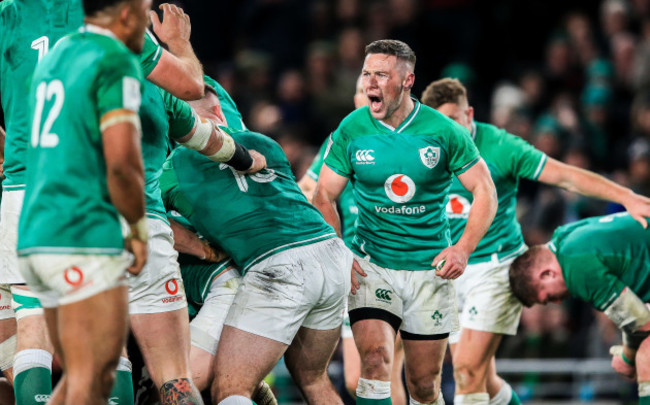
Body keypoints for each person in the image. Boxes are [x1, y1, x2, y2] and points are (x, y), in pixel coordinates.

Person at [0, 1, 206, 402]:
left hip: (26, 200)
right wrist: (178, 43)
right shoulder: (111, 42)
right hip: (92, 203)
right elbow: (187, 89)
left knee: (37, 339)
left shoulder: (11, 17)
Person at [421, 78, 650, 405]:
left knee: (467, 373)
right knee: (481, 378)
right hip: (450, 269)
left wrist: (625, 195)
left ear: (469, 114)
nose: (450, 130)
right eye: (441, 123)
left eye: (455, 120)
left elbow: (566, 175)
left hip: (495, 267)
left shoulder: (502, 147)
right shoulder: (424, 151)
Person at [313, 40, 498, 405]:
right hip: (372, 264)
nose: (370, 83)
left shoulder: (442, 131)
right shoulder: (352, 128)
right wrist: (339, 255)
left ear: (407, 80)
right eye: (367, 73)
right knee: (374, 361)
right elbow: (322, 195)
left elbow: (485, 192)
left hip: (429, 271)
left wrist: (462, 249)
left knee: (424, 384)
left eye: (381, 74)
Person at [16, 0, 152, 402]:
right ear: (126, 12)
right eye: (145, 7)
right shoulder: (113, 59)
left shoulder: (56, 55)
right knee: (96, 375)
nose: (149, 17)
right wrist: (138, 229)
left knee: (83, 376)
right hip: (82, 234)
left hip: (36, 233)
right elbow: (124, 165)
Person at [160, 128, 351, 405]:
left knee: (231, 388)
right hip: (331, 252)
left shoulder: (177, 163)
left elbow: (144, 214)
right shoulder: (266, 143)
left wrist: (201, 246)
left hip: (279, 263)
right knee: (313, 380)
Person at [298, 76, 407, 405]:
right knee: (355, 378)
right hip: (356, 266)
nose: (368, 95)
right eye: (361, 90)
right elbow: (308, 188)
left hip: (397, 262)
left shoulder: (407, 138)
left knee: (381, 369)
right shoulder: (342, 140)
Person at [508, 213, 650, 404]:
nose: (557, 303)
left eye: (549, 297)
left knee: (645, 354)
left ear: (547, 274)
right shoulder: (564, 235)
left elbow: (641, 325)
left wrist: (627, 357)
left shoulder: (576, 270)